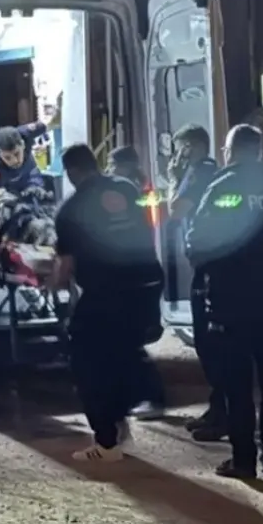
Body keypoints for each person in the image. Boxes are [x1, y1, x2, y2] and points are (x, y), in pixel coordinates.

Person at [186, 124, 263, 479]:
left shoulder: (224, 186)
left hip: (232, 303)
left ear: (230, 151)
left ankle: (243, 460)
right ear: (258, 150)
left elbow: (197, 243)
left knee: (237, 385)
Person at [52, 143, 164, 462]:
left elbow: (65, 268)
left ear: (72, 172)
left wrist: (51, 282)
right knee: (123, 351)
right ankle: (123, 421)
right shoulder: (127, 187)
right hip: (147, 284)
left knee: (86, 362)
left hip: (107, 292)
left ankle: (107, 442)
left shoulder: (71, 209)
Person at [165, 124, 225, 441]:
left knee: (209, 343)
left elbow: (176, 209)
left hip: (208, 265)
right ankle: (218, 408)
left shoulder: (198, 171)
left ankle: (223, 414)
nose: (177, 155)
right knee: (212, 343)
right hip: (214, 261)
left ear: (191, 147)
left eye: (180, 148)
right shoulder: (212, 170)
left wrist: (173, 178)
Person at [105, 145, 167, 421]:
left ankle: (151, 397)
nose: (109, 170)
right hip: (145, 270)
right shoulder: (142, 189)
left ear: (121, 165)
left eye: (111, 165)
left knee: (130, 340)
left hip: (134, 274)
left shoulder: (125, 192)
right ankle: (135, 394)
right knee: (129, 339)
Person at [0, 121, 49, 196]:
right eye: (7, 157)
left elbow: (45, 124)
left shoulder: (25, 134)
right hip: (9, 193)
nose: (15, 161)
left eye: (16, 154)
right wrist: (5, 196)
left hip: (31, 179)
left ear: (23, 144)